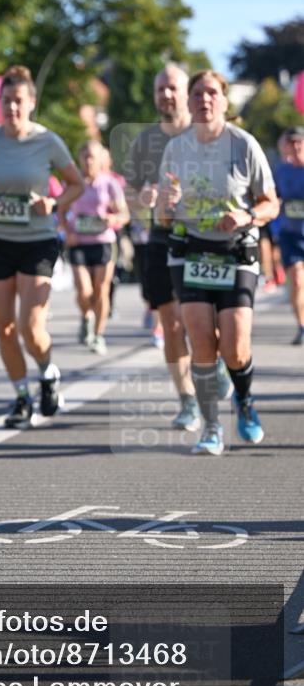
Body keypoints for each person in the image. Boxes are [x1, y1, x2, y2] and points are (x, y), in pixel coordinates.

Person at [156, 69, 279, 455]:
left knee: (236, 348)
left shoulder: (244, 145)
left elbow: (270, 203)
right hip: (190, 250)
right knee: (201, 342)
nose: (204, 100)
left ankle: (244, 400)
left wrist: (248, 217)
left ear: (224, 101)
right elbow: (162, 216)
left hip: (235, 250)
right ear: (188, 102)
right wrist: (167, 206)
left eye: (212, 93)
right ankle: (211, 426)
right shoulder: (176, 149)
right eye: (197, 94)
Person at [0, 65, 84, 427]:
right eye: (6, 101)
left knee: (31, 327)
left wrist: (55, 204)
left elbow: (76, 185)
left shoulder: (48, 141)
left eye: (18, 102)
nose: (12, 108)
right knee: (5, 329)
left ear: (31, 103)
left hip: (37, 242)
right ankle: (20, 397)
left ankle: (48, 372)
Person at [124, 64, 229, 432]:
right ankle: (187, 401)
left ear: (187, 92)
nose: (166, 95)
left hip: (205, 237)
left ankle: (218, 362)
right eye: (160, 90)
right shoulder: (145, 141)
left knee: (207, 321)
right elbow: (131, 194)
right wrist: (143, 199)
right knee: (171, 324)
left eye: (172, 88)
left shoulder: (209, 133)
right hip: (160, 238)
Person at [62, 140, 129, 356]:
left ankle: (99, 335)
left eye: (93, 156)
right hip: (78, 242)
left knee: (101, 290)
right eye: (86, 156)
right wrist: (67, 232)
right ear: (80, 159)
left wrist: (112, 218)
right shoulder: (73, 183)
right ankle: (85, 317)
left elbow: (124, 214)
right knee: (84, 290)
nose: (89, 161)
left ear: (101, 159)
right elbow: (61, 210)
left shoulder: (110, 183)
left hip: (103, 241)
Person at [275, 126, 304, 345]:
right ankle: (302, 325)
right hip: (290, 234)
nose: (295, 146)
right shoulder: (281, 171)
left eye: (299, 142)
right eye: (291, 142)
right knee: (296, 279)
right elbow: (272, 201)